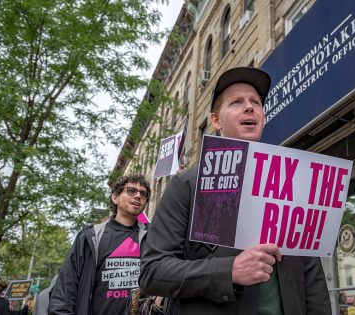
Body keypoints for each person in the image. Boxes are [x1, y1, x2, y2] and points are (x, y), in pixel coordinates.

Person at [139, 67, 331, 314]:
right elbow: (153, 271)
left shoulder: (292, 185)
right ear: (216, 121)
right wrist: (228, 271)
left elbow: (311, 277)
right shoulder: (188, 184)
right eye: (237, 102)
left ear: (262, 116)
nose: (249, 107)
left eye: (255, 102)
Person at [48, 175, 151, 315]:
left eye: (143, 193)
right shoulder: (90, 237)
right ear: (115, 198)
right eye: (131, 191)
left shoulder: (152, 238)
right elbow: (64, 291)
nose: (138, 195)